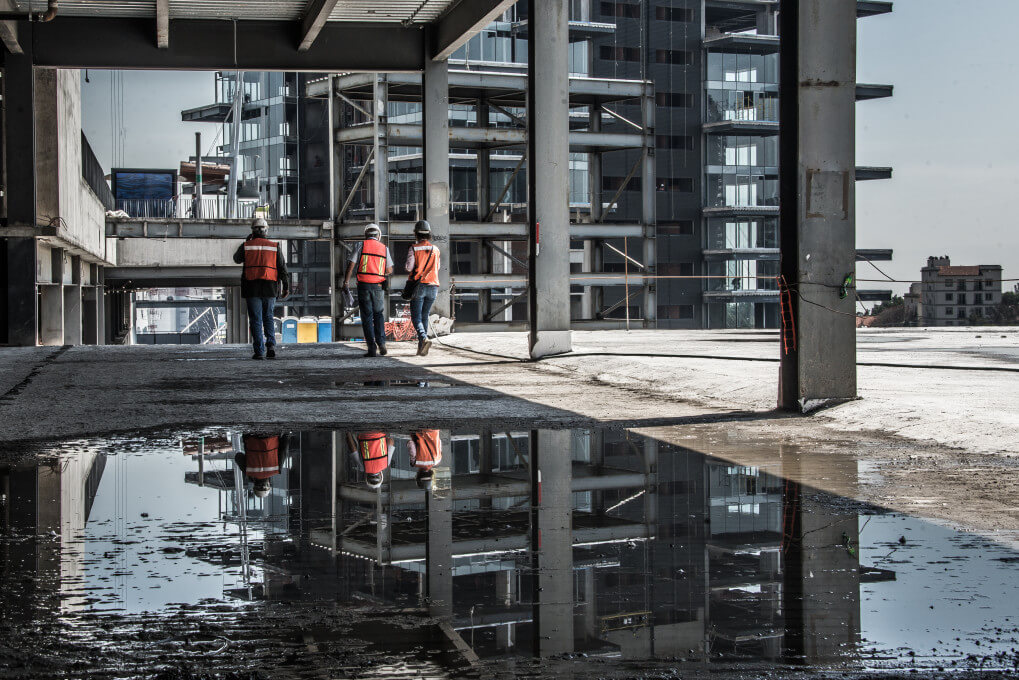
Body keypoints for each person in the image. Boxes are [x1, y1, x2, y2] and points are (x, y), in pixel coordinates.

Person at [233, 217, 289, 360]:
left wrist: (247, 240)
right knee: (268, 317)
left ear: (253, 231)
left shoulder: (246, 245)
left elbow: (237, 259)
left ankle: (259, 351)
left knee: (256, 319)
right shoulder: (274, 246)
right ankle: (270, 346)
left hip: (252, 288)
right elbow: (282, 268)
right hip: (270, 288)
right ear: (266, 230)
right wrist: (286, 287)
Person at [342, 224, 393, 358]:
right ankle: (381, 343)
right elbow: (389, 270)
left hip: (364, 286)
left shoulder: (360, 245)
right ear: (378, 235)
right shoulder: (384, 248)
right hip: (378, 287)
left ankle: (372, 348)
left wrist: (346, 282)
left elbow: (351, 265)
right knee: (379, 315)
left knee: (367, 317)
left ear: (366, 235)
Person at [404, 220, 441, 356]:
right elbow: (437, 267)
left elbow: (409, 268)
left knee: (416, 317)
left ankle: (424, 338)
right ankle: (421, 348)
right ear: (429, 234)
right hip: (433, 286)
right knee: (424, 316)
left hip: (419, 286)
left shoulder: (414, 248)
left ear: (416, 234)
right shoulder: (436, 249)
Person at [236, 432, 291, 499]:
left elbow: (284, 450)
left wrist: (286, 435)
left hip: (272, 436)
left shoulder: (276, 470)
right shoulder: (248, 471)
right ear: (254, 485)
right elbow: (238, 456)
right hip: (251, 436)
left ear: (268, 484)